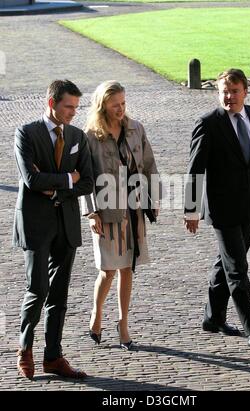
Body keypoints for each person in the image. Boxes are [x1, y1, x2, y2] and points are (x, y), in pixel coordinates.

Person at [184, 68, 250, 349]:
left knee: (226, 263)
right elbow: (195, 169)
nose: (229, 96)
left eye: (234, 91)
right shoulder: (208, 123)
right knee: (237, 268)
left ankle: (213, 318)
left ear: (245, 91)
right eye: (224, 91)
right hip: (223, 210)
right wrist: (191, 209)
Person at [13, 79, 93, 379]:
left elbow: (87, 180)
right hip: (35, 224)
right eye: (68, 106)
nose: (73, 112)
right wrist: (67, 179)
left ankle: (53, 357)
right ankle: (25, 347)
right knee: (38, 289)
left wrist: (56, 187)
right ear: (52, 103)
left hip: (66, 223)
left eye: (76, 106)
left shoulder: (77, 136)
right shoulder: (26, 133)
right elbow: (31, 181)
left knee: (59, 294)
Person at [81, 80, 160, 350]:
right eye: (115, 105)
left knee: (128, 268)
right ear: (103, 105)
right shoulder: (90, 136)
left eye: (124, 103)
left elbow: (149, 165)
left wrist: (154, 198)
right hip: (106, 210)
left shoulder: (136, 128)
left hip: (134, 208)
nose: (121, 109)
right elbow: (86, 178)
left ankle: (123, 324)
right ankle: (97, 313)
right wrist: (91, 212)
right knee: (108, 270)